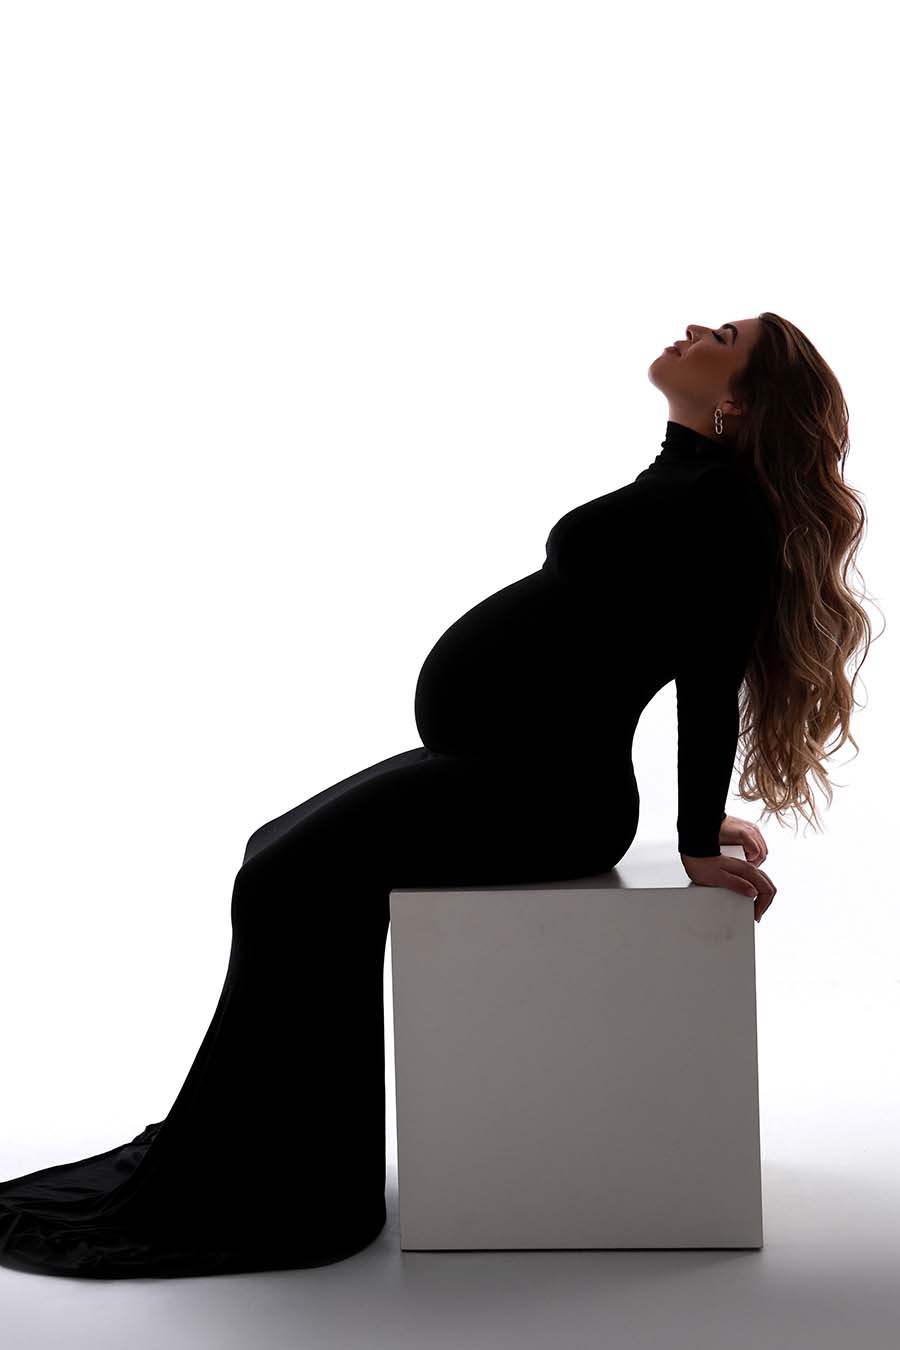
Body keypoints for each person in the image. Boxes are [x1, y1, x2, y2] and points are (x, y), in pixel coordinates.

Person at [0, 311, 877, 1279]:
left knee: (289, 883)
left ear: (740, 399)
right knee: (272, 856)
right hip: (502, 769)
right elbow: (638, 620)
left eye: (724, 333)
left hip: (544, 795)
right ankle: (258, 1151)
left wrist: (691, 836)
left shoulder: (727, 507)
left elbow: (707, 670)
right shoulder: (688, 476)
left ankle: (289, 1190)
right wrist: (696, 814)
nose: (693, 327)